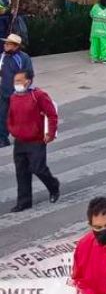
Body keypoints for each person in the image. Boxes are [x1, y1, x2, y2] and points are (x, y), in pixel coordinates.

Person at [8, 70, 59, 212]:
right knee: (21, 171)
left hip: (36, 140)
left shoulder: (38, 95)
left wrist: (50, 133)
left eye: (19, 81)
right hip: (20, 140)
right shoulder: (13, 97)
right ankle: (24, 201)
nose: (16, 84)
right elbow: (10, 115)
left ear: (28, 81)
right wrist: (12, 129)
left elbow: (52, 114)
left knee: (38, 168)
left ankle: (53, 186)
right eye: (15, 81)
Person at [0, 34, 32, 148]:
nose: (5, 45)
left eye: (8, 44)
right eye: (5, 43)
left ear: (16, 46)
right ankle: (2, 139)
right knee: (2, 116)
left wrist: (21, 90)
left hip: (18, 94)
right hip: (4, 93)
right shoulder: (3, 56)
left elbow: (28, 75)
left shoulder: (23, 58)